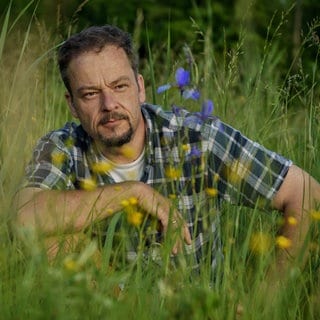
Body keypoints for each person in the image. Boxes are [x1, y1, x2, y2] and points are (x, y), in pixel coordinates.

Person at [16, 25, 320, 276]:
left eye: (119, 87)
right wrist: (131, 192)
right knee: (51, 236)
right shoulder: (63, 146)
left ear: (140, 87)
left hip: (196, 307)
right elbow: (22, 217)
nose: (109, 105)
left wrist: (267, 303)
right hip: (108, 305)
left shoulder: (196, 137)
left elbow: (306, 192)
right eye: (91, 94)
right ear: (72, 104)